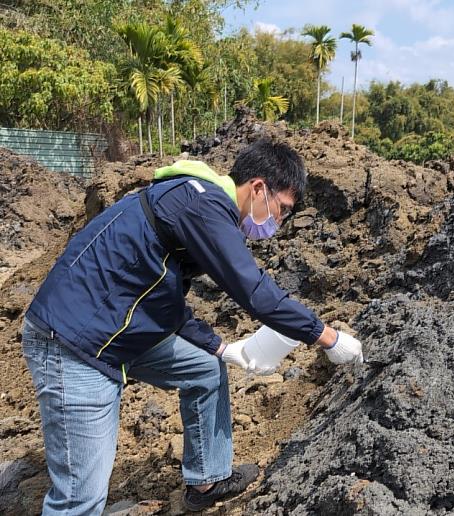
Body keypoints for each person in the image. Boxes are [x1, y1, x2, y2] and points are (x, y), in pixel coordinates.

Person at [21, 138, 363, 514]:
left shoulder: (193, 201)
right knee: (80, 497)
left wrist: (220, 348)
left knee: (203, 369)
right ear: (259, 187)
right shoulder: (204, 204)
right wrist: (326, 337)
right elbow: (253, 290)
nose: (278, 222)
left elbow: (164, 302)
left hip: (116, 327)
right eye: (281, 209)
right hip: (74, 343)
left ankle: (207, 481)